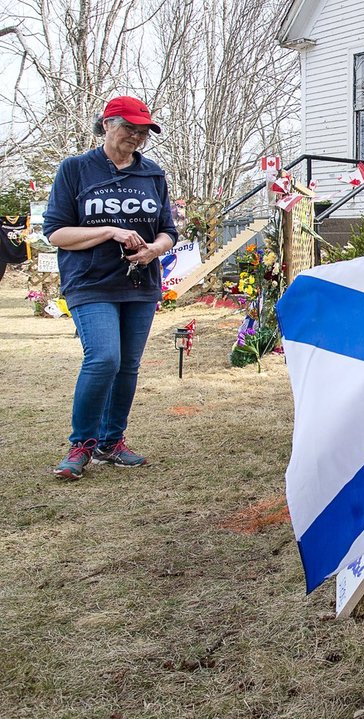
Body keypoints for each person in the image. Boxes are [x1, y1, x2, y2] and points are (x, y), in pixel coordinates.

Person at [44, 95, 178, 480]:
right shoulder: (75, 169)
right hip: (90, 281)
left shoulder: (152, 175)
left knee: (127, 365)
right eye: (128, 128)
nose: (136, 137)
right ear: (106, 125)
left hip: (139, 282)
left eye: (143, 132)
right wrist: (109, 231)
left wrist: (155, 249)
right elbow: (56, 233)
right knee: (104, 358)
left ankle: (111, 442)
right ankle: (81, 444)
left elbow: (168, 230)